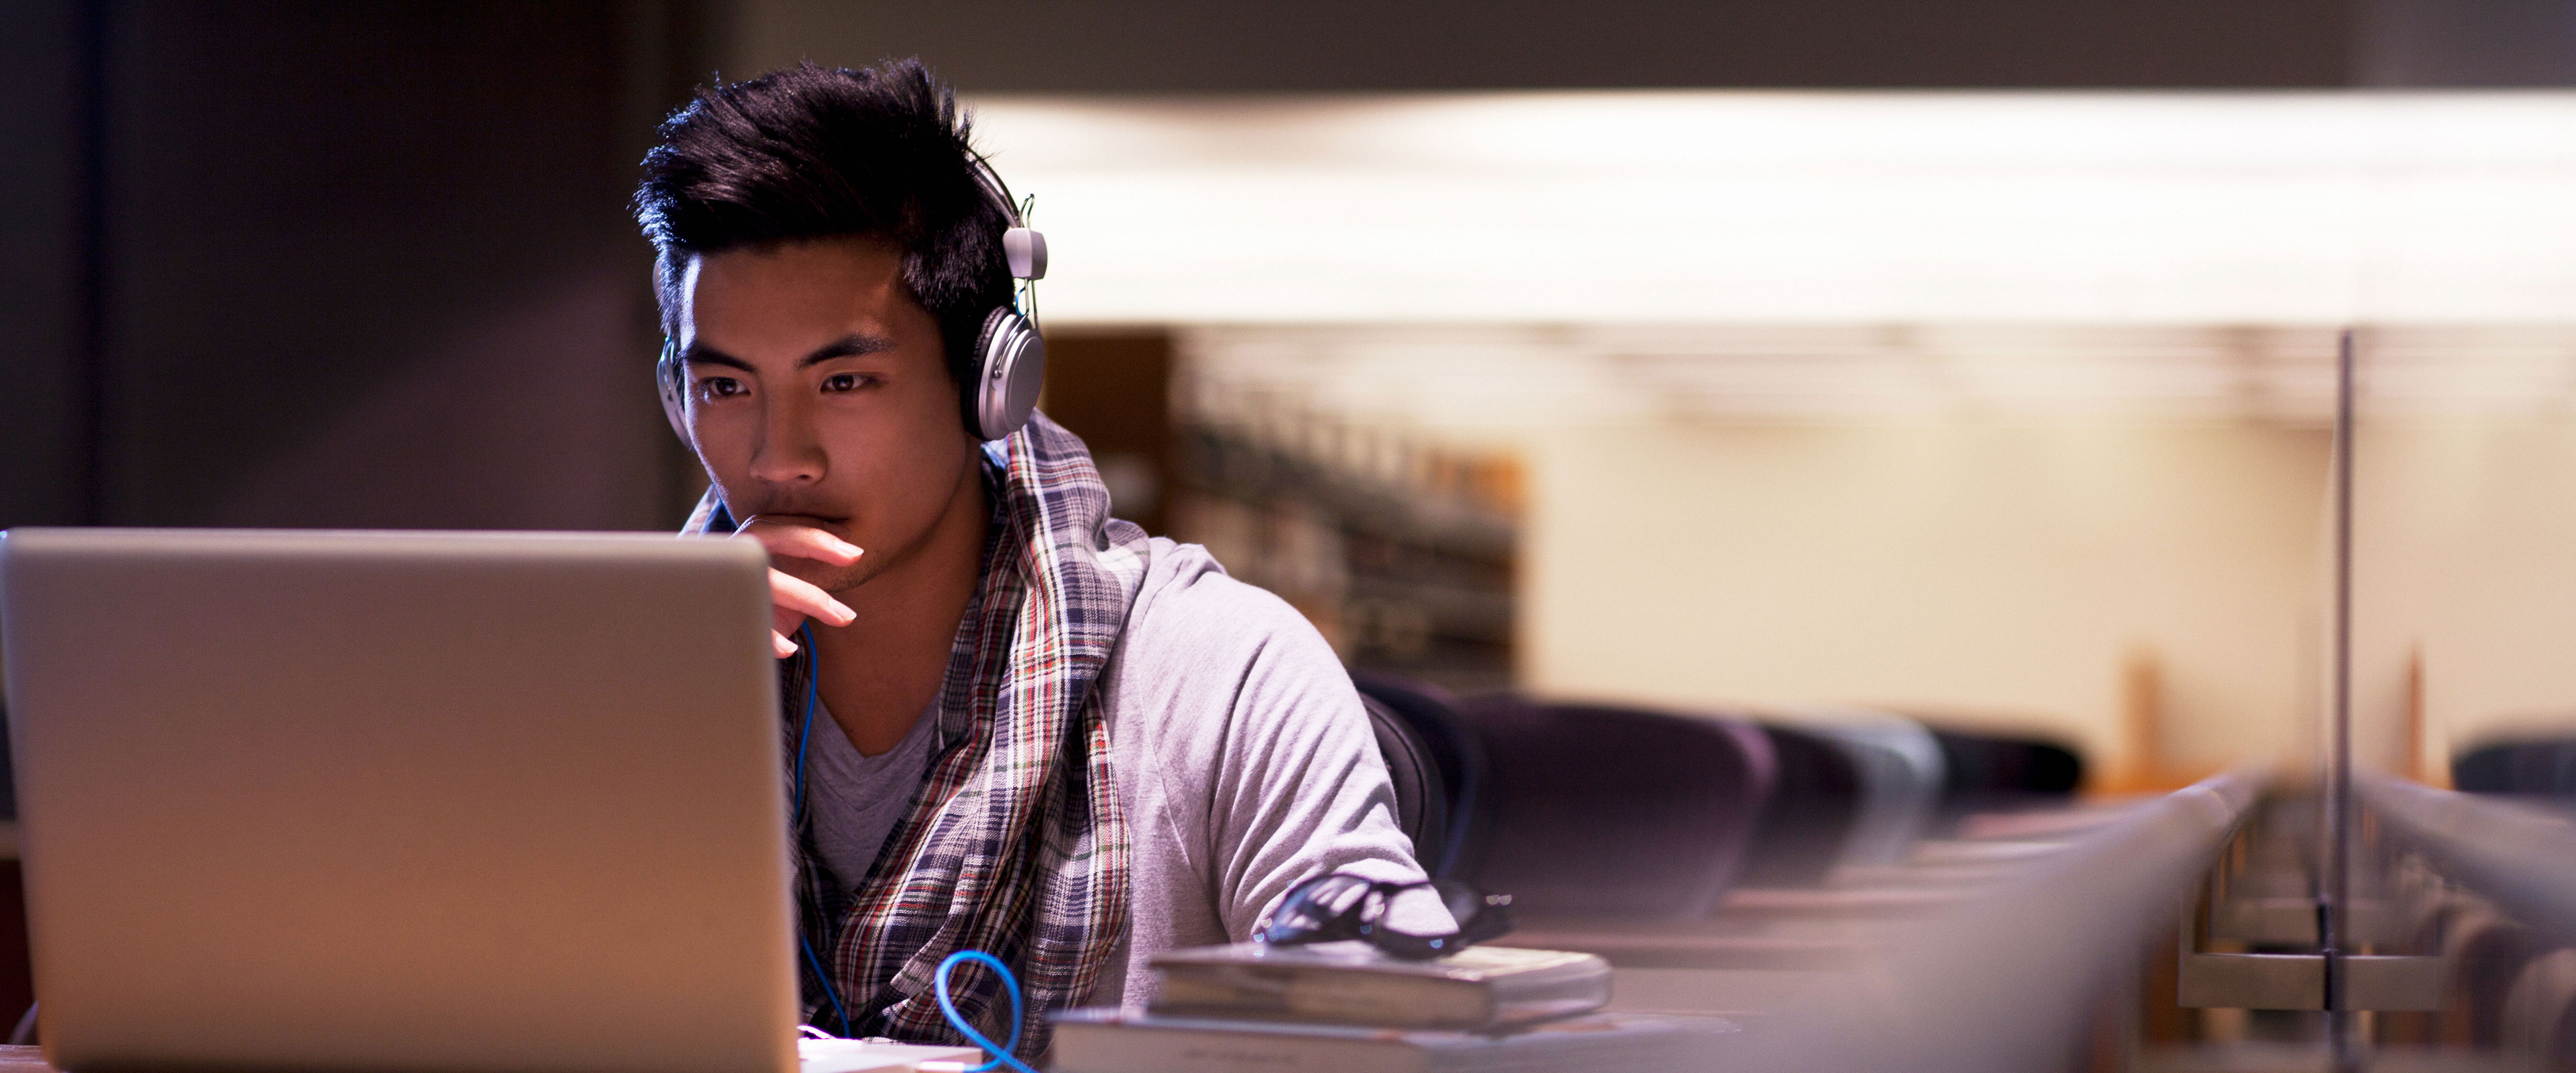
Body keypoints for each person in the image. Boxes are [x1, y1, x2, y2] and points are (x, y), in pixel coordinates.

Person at [630, 60, 1428, 1053]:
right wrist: (655, 720)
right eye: (726, 389)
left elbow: (1399, 1031)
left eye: (844, 382)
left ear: (987, 385)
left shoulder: (1218, 672)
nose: (778, 458)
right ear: (677, 396)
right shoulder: (633, 685)